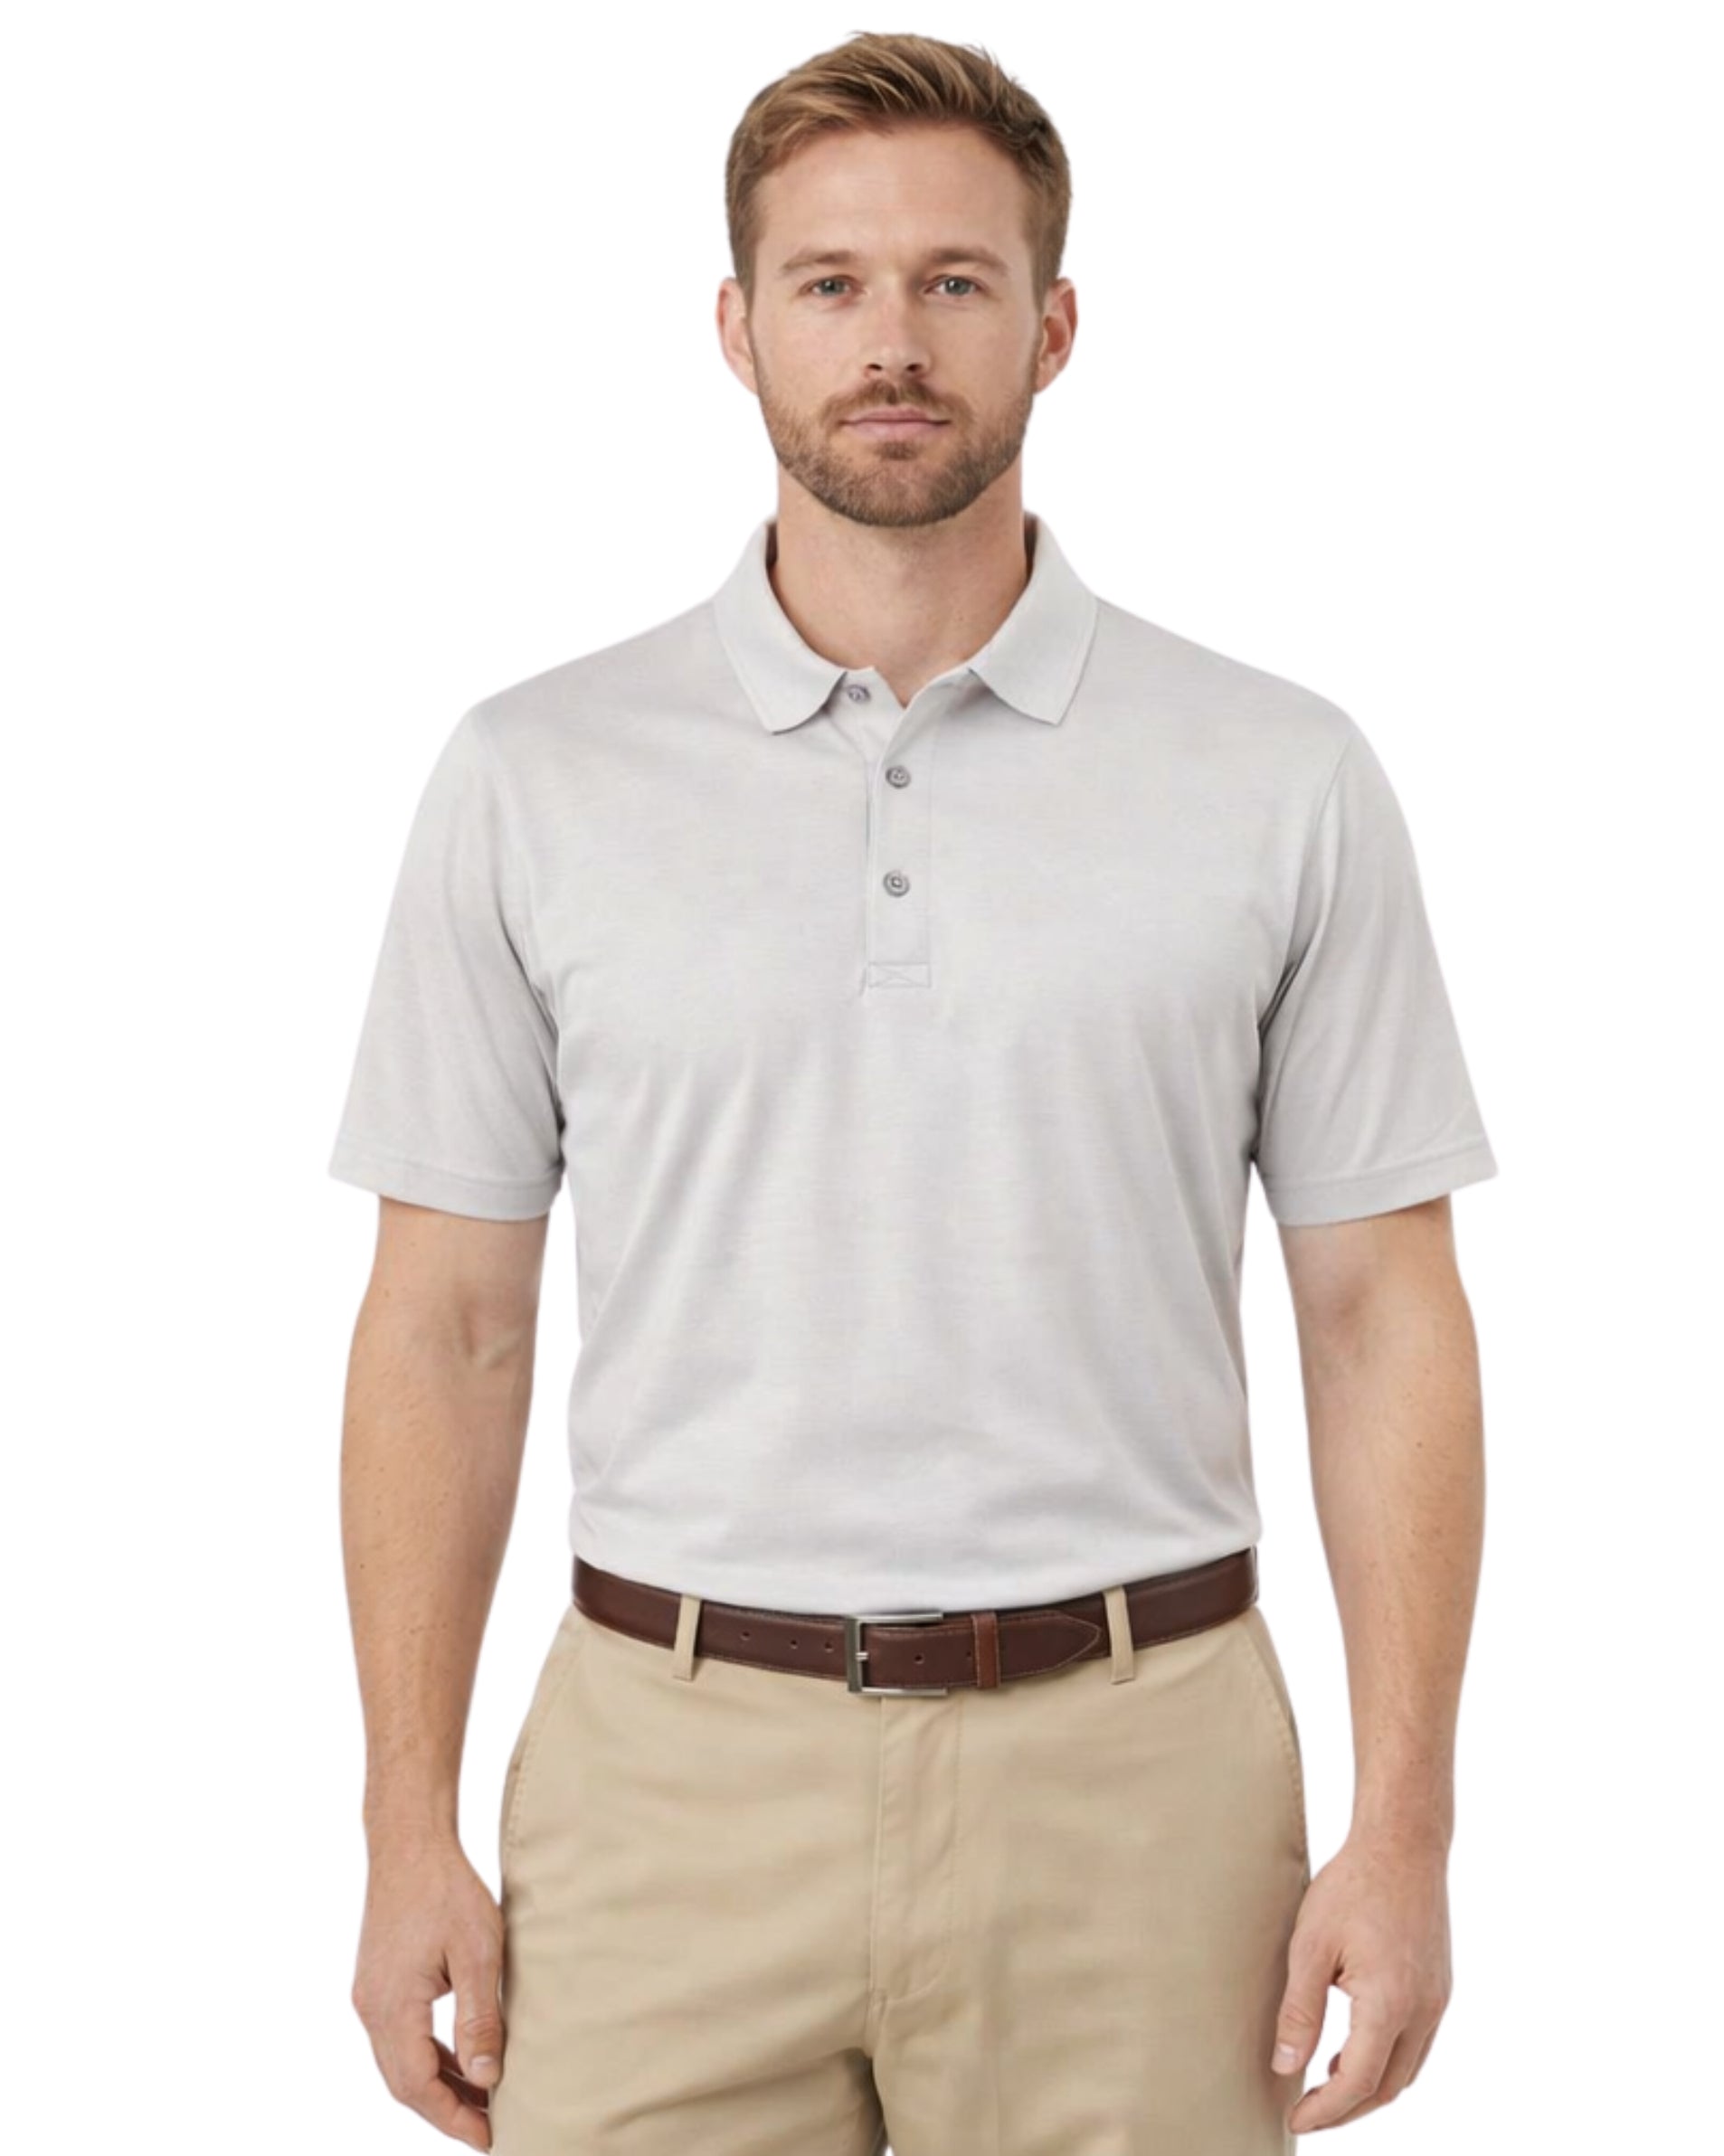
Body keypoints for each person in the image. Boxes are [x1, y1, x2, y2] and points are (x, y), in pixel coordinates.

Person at [329, 31, 1498, 2155]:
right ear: (734, 326)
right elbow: (446, 1325)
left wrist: (1403, 1823)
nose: (891, 340)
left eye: (955, 282)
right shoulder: (531, 777)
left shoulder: (1275, 775)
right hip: (664, 1785)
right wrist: (405, 1823)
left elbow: (1376, 1313)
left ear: (1052, 327)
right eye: (830, 282)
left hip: (1141, 1790)